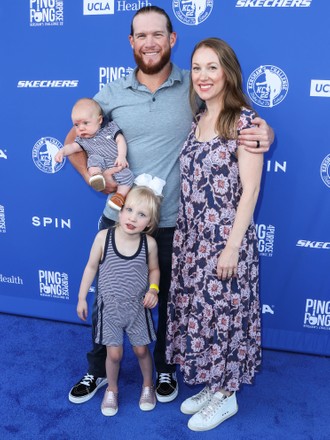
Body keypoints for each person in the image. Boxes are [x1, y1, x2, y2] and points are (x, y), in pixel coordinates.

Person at [67, 6, 273, 405]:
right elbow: (76, 138)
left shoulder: (193, 88)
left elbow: (234, 117)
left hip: (176, 222)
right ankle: (95, 372)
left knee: (166, 301)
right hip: (119, 220)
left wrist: (265, 130)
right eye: (140, 36)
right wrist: (101, 183)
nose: (149, 42)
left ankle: (164, 371)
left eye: (157, 34)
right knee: (108, 296)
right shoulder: (109, 93)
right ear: (130, 42)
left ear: (172, 38)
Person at [165, 38, 264, 432]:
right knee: (203, 316)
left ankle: (227, 395)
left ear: (228, 72)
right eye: (197, 67)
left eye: (212, 67)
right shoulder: (198, 120)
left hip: (226, 240)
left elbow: (251, 190)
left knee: (225, 315)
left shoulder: (245, 122)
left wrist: (233, 247)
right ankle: (212, 382)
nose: (203, 76)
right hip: (193, 239)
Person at [76, 185, 162, 415]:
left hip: (137, 309)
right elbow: (91, 267)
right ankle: (111, 389)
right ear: (119, 210)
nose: (133, 218)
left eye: (141, 215)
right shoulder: (104, 237)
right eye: (129, 209)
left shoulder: (149, 244)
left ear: (150, 222)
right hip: (109, 308)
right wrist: (82, 297)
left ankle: (147, 385)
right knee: (114, 354)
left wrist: (153, 290)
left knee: (142, 351)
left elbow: (154, 270)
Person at [55, 98, 134, 211]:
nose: (81, 128)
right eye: (76, 125)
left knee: (128, 175)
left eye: (86, 123)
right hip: (100, 167)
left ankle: (119, 197)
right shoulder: (82, 140)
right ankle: (96, 176)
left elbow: (120, 140)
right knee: (93, 159)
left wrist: (121, 156)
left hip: (116, 163)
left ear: (100, 120)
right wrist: (62, 151)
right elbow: (72, 147)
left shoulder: (110, 128)